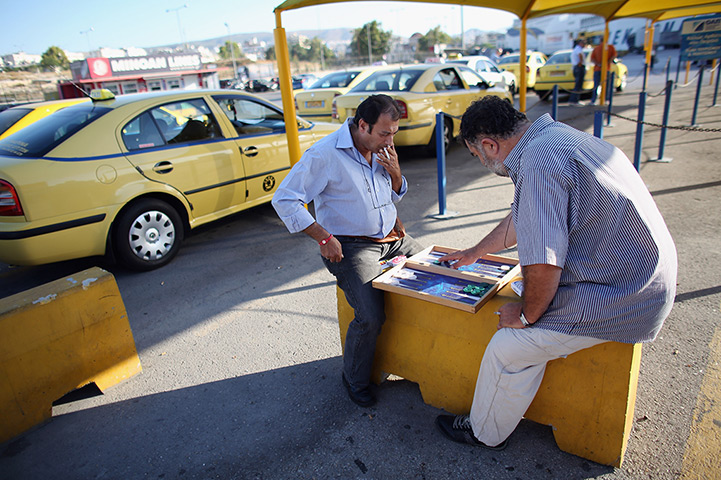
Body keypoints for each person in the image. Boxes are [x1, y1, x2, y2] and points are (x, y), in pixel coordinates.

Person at [434, 96, 677, 450]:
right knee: (525, 303)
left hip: (625, 294)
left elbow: (545, 262)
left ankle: (483, 432)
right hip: (642, 276)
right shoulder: (555, 138)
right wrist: (475, 252)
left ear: (489, 144)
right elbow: (526, 215)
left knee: (508, 346)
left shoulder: (535, 166)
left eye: (478, 156)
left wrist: (527, 316)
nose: (483, 162)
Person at [272, 94, 423, 408]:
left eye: (393, 133)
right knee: (370, 315)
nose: (389, 140)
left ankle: (416, 360)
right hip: (352, 247)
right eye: (384, 133)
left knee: (437, 275)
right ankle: (354, 379)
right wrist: (323, 238)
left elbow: (395, 194)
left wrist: (396, 173)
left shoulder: (382, 149)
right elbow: (284, 199)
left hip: (393, 238)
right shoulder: (325, 155)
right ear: (362, 124)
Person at [590, 41, 617, 105]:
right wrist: (607, 63)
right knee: (606, 86)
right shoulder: (610, 47)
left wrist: (598, 64)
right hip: (605, 69)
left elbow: (592, 59)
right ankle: (606, 99)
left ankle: (593, 100)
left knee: (596, 86)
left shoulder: (596, 48)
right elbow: (614, 56)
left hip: (597, 69)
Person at [569, 38, 586, 105]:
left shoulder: (576, 49)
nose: (584, 45)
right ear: (580, 43)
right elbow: (580, 56)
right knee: (578, 85)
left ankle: (575, 100)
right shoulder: (578, 49)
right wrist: (580, 63)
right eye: (583, 43)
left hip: (576, 67)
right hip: (579, 68)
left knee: (577, 85)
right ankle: (574, 100)